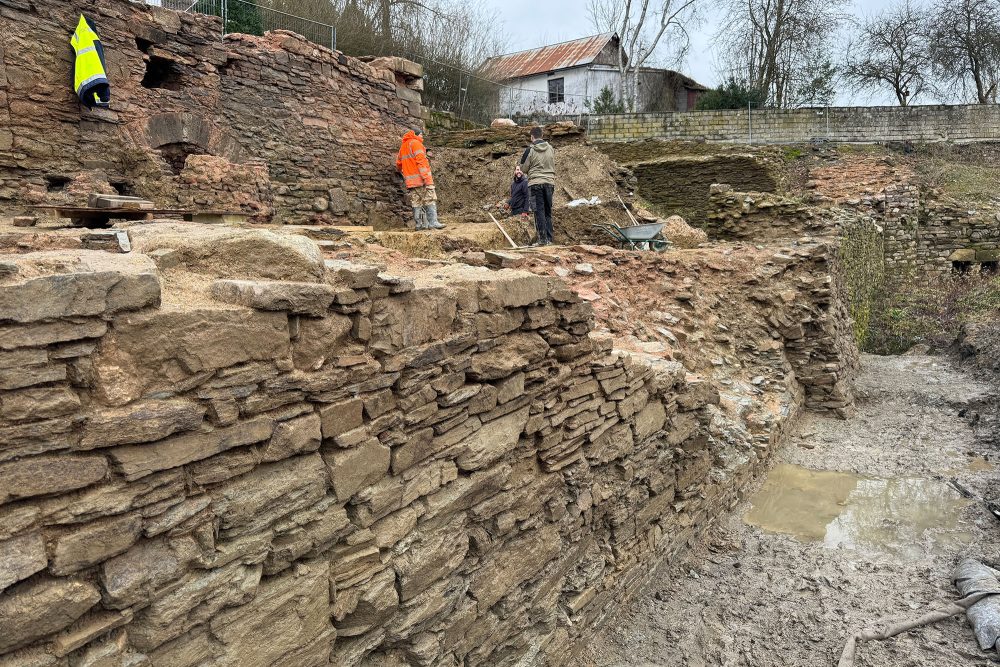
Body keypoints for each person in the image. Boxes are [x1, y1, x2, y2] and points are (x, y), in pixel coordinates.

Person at [395, 128, 444, 230]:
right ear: (416, 134)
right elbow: (421, 162)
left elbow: (398, 164)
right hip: (421, 179)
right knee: (430, 199)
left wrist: (406, 173)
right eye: (421, 135)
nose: (422, 137)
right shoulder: (416, 144)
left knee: (416, 202)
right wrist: (426, 178)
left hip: (411, 182)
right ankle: (433, 223)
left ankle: (419, 225)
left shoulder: (403, 147)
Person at [519, 126, 555, 245]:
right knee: (547, 211)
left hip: (535, 184)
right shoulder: (550, 148)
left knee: (538, 211)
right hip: (549, 183)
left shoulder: (530, 150)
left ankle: (542, 240)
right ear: (542, 135)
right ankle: (549, 239)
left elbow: (523, 168)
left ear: (532, 137)